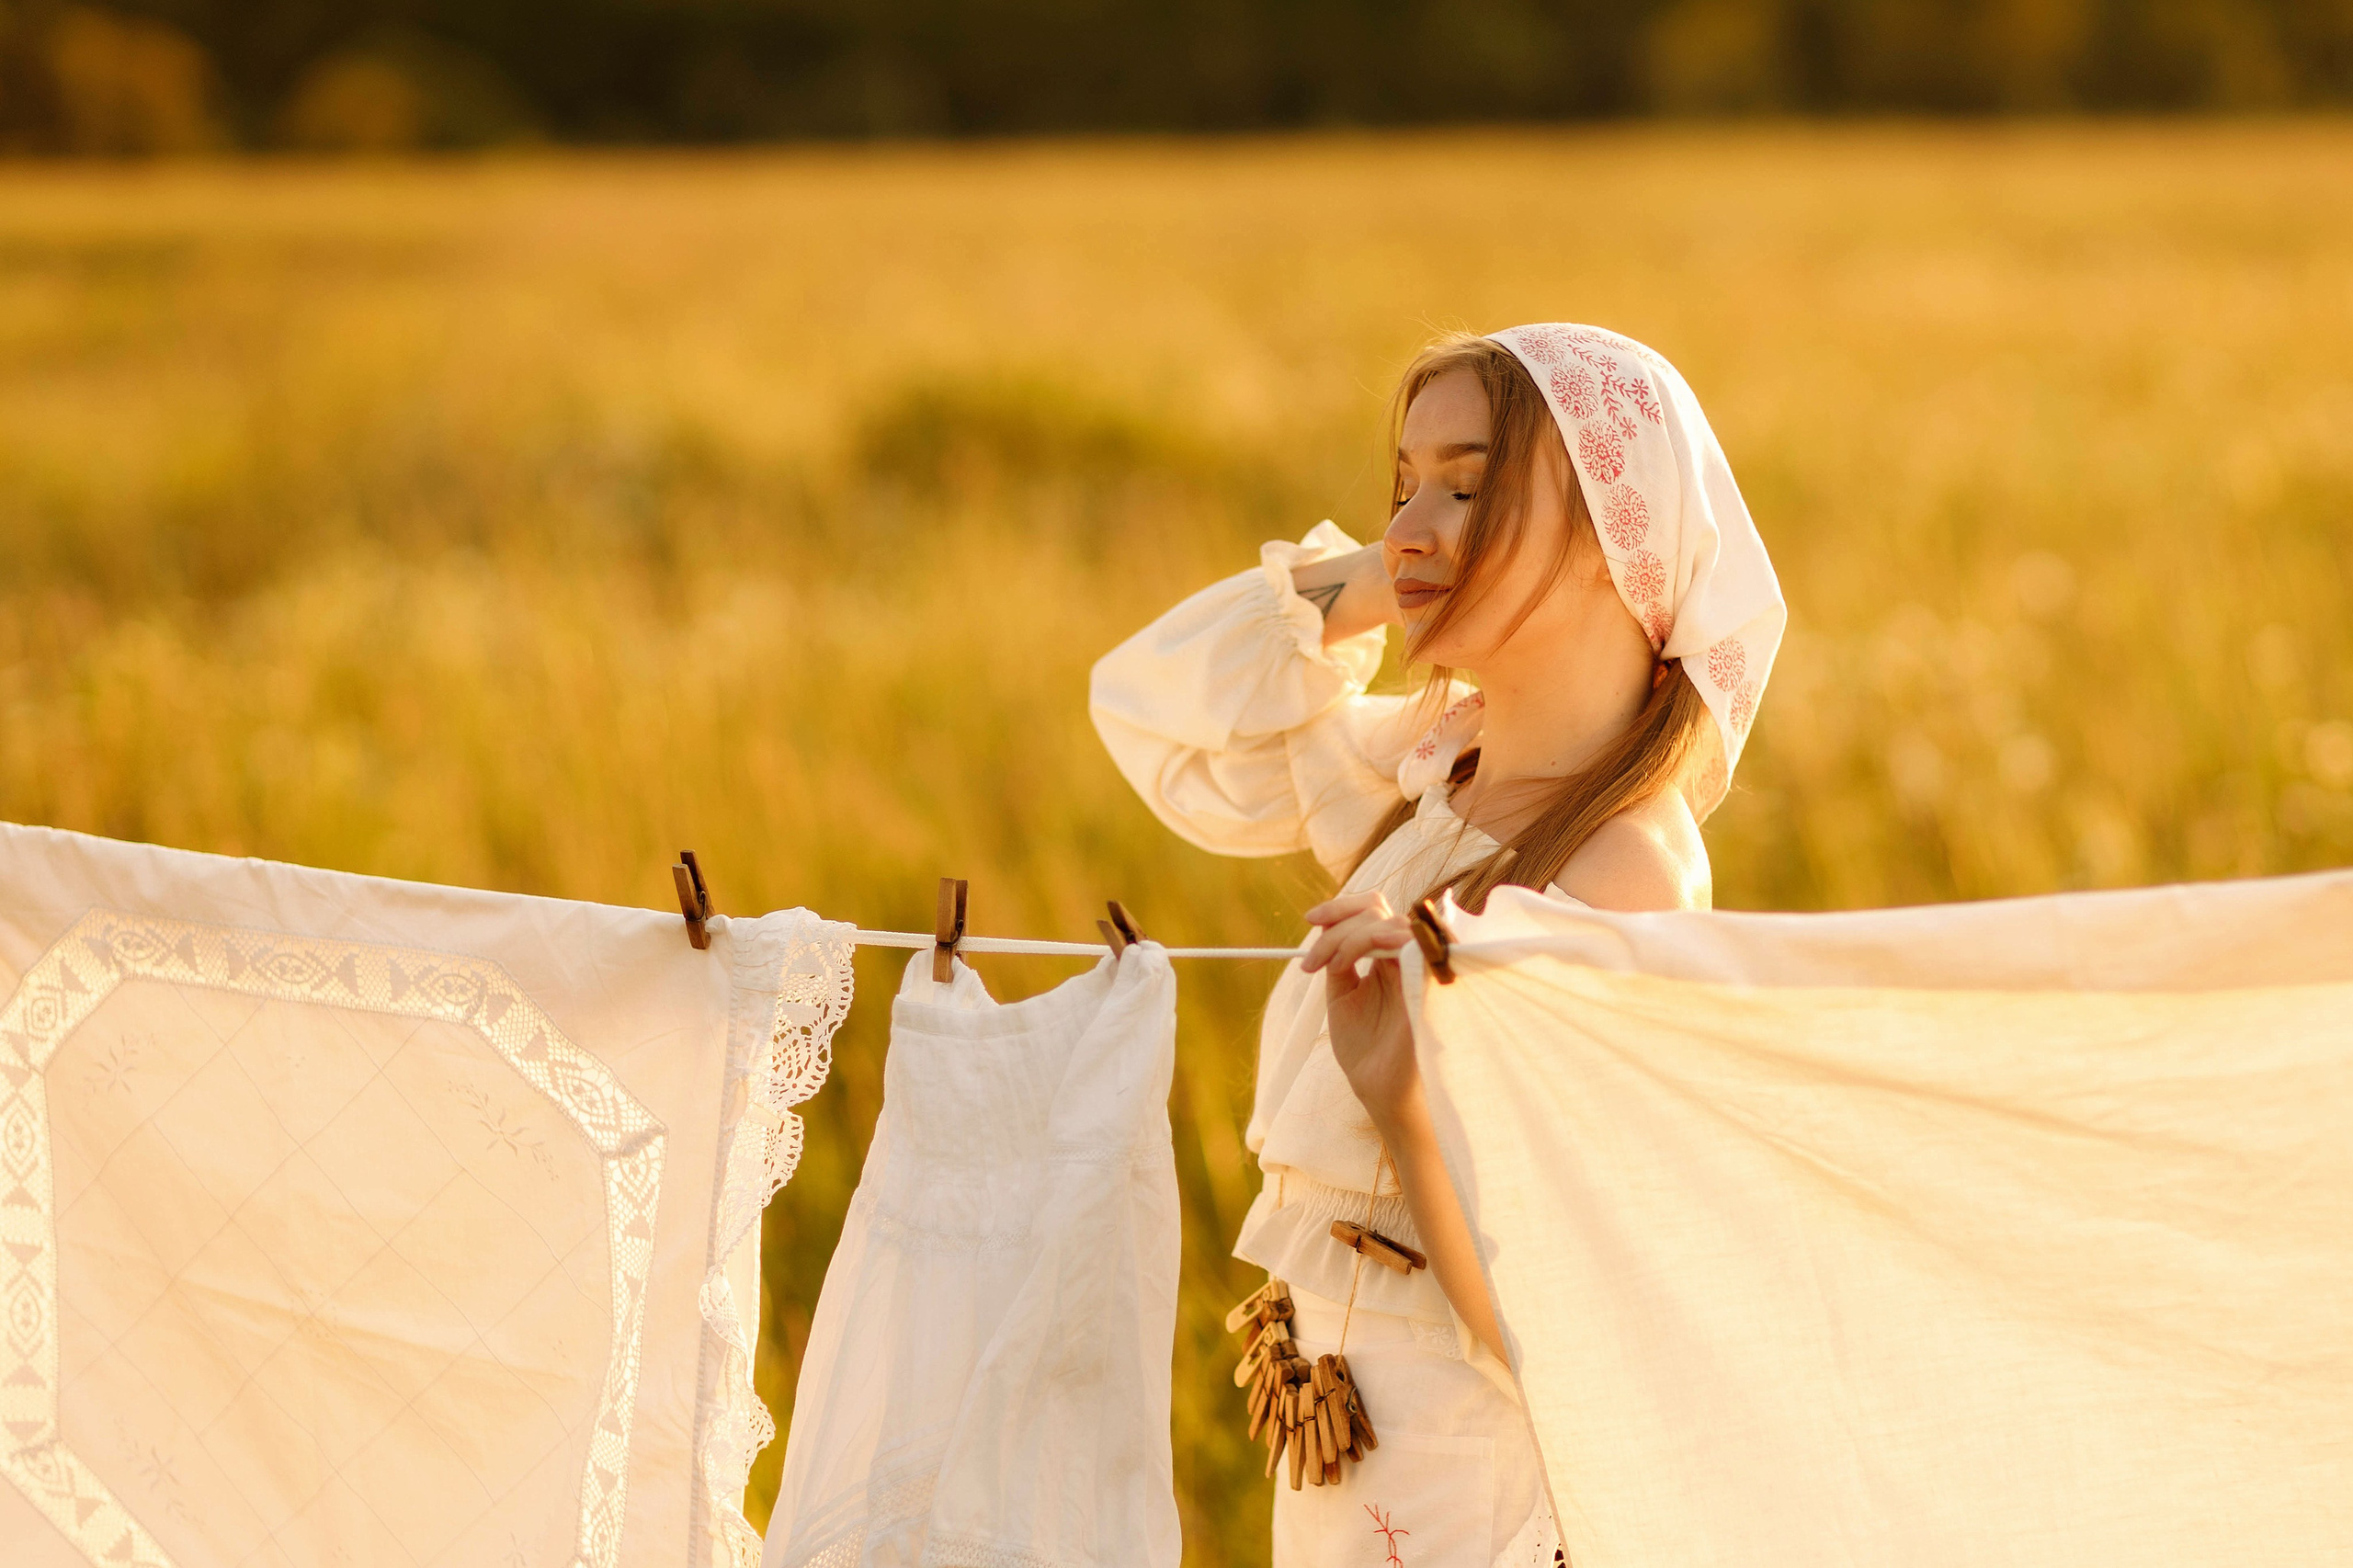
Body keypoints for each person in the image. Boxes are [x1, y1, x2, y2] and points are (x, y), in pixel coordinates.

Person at [1090, 324, 1785, 1568]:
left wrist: (1402, 1101)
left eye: (1469, 483)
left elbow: (1567, 1325)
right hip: (1338, 1460)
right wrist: (1398, 567)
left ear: (1614, 533)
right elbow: (1147, 698)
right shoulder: (1429, 770)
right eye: (1402, 481)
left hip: (1474, 1489)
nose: (1412, 518)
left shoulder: (1620, 867)